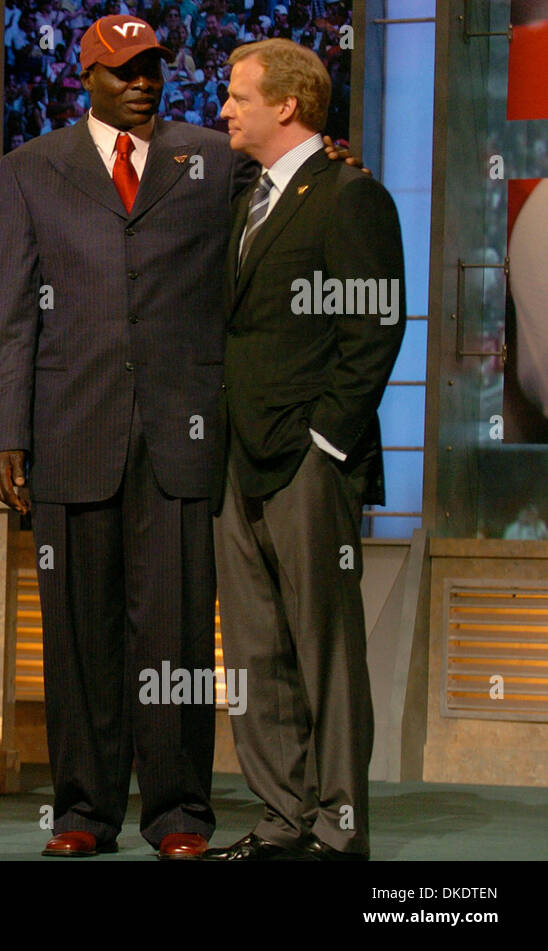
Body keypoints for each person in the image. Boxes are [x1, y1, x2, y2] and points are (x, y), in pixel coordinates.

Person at [0, 14, 256, 860]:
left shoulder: (212, 159)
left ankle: (179, 814)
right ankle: (82, 812)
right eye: (123, 68)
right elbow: (11, 311)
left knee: (176, 635)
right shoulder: (32, 169)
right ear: (85, 75)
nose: (142, 80)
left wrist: (335, 163)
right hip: (70, 430)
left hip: (182, 433)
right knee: (77, 632)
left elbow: (287, 190)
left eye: (151, 67)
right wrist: (6, 430)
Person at [205, 38, 405, 861]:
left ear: (286, 104)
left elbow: (376, 327)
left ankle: (338, 827)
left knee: (324, 651)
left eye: (237, 96)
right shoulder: (240, 195)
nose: (223, 109)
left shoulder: (350, 196)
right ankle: (283, 819)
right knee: (255, 654)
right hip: (235, 460)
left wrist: (327, 441)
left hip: (309, 464)